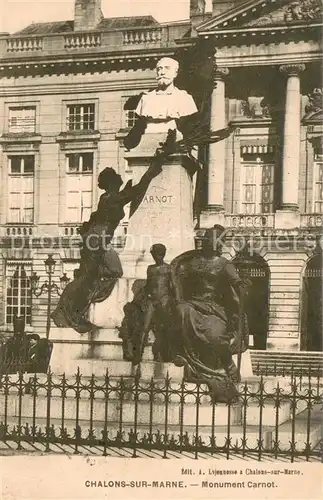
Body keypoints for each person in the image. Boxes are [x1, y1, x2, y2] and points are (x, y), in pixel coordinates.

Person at [51, 159, 163, 334]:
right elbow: (138, 189)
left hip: (95, 239)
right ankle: (68, 313)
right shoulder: (114, 198)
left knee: (93, 275)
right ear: (112, 183)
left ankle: (72, 311)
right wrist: (151, 171)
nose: (120, 178)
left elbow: (98, 215)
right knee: (102, 274)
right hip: (97, 241)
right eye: (117, 178)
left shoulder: (107, 197)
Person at [171, 226, 247, 402]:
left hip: (214, 307)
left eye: (214, 241)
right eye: (208, 240)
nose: (211, 243)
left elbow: (236, 282)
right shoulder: (193, 262)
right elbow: (177, 272)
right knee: (182, 310)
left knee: (215, 335)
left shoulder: (224, 264)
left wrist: (242, 286)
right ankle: (189, 357)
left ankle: (227, 364)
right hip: (193, 304)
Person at [124, 57, 198, 150]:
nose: (162, 72)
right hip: (149, 133)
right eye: (159, 69)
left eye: (167, 68)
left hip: (172, 133)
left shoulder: (184, 98)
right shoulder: (146, 98)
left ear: (175, 73)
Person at [138, 244, 176, 363]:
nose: (157, 257)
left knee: (163, 328)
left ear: (163, 255)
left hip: (164, 300)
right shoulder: (150, 268)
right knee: (145, 326)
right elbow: (149, 285)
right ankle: (139, 353)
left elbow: (174, 286)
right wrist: (147, 296)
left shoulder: (169, 268)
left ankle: (162, 354)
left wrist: (174, 301)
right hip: (152, 301)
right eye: (155, 254)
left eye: (159, 254)